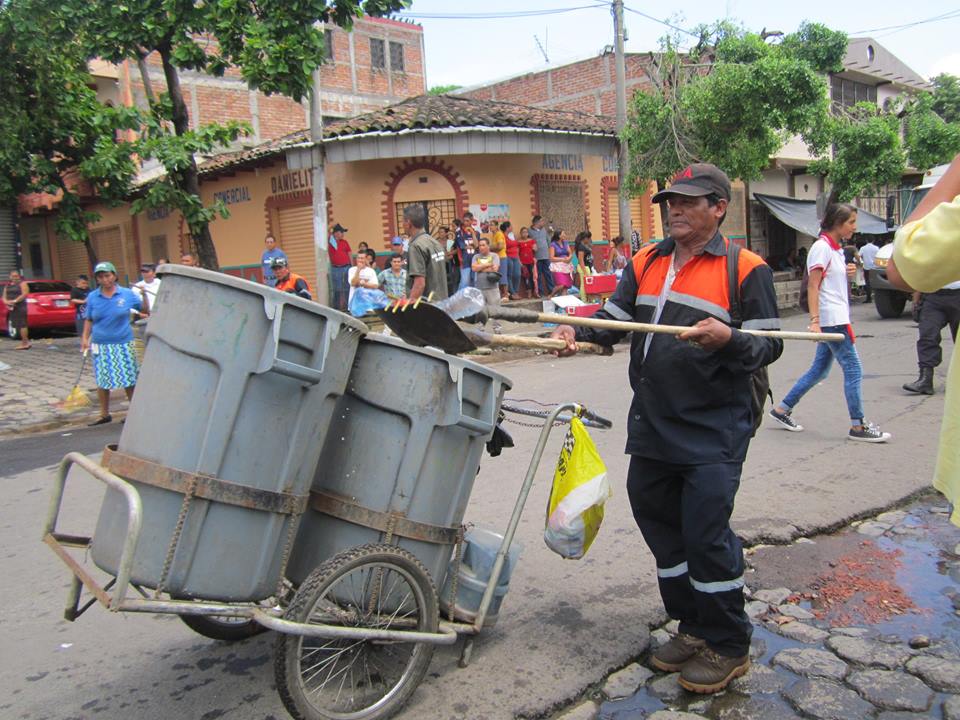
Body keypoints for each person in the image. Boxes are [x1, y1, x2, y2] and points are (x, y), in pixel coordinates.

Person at [551, 163, 782, 694]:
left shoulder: (745, 269)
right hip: (654, 421)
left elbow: (769, 343)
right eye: (669, 201)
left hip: (714, 427)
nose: (674, 209)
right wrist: (575, 328)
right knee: (661, 525)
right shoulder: (646, 260)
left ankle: (728, 643)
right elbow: (612, 320)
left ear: (718, 207)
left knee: (704, 533)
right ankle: (692, 625)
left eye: (688, 201)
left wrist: (730, 338)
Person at [769, 203, 891, 443]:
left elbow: (827, 282)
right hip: (832, 320)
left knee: (819, 370)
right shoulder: (821, 248)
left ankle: (782, 409)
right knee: (854, 370)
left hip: (835, 317)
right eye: (851, 222)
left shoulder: (835, 250)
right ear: (838, 223)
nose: (854, 228)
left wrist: (845, 273)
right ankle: (858, 426)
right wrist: (815, 321)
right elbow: (813, 286)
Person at [888, 152, 960, 527]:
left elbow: (903, 264)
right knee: (928, 340)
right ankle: (926, 376)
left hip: (952, 290)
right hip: (935, 292)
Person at [82, 262, 144, 426]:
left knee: (129, 378)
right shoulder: (93, 297)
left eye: (108, 275)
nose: (105, 279)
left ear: (115, 276)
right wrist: (84, 338)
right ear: (97, 279)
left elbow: (143, 309)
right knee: (102, 380)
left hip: (123, 341)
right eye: (101, 277)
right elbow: (89, 319)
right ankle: (104, 413)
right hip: (101, 343)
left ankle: (133, 412)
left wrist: (144, 296)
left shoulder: (127, 294)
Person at [403, 204, 449, 302]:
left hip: (427, 307)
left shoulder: (416, 246)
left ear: (408, 222)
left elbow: (419, 284)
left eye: (403, 221)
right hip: (441, 303)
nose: (403, 225)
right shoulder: (435, 242)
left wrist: (409, 305)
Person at [471, 237, 502, 333]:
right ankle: (480, 331)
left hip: (492, 288)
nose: (481, 247)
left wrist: (480, 268)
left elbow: (495, 269)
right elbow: (474, 269)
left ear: (488, 246)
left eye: (483, 245)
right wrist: (487, 265)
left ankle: (497, 330)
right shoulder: (476, 257)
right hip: (480, 288)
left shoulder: (494, 256)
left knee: (495, 310)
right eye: (480, 245)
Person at [4, 270, 31, 349]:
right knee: (17, 325)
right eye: (13, 276)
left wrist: (15, 301)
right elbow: (4, 296)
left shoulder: (22, 284)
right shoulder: (8, 285)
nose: (15, 277)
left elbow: (24, 294)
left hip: (20, 306)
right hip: (12, 307)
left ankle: (25, 343)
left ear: (19, 276)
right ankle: (23, 342)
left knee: (22, 324)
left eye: (16, 276)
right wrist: (6, 302)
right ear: (10, 277)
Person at [328, 223, 352, 311]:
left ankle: (347, 307)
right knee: (337, 289)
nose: (342, 234)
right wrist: (331, 226)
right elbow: (327, 232)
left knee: (347, 288)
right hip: (336, 268)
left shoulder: (345, 242)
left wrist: (351, 265)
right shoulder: (332, 241)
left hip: (346, 267)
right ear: (336, 233)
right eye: (341, 232)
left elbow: (349, 253)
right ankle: (336, 308)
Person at [530, 215, 554, 297]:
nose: (543, 222)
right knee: (538, 276)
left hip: (546, 256)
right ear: (537, 222)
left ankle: (552, 291)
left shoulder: (544, 230)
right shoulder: (529, 231)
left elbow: (549, 241)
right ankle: (540, 292)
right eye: (542, 221)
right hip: (537, 258)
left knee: (548, 274)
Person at [548, 229, 574, 296]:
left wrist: (569, 258)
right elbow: (551, 258)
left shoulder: (565, 242)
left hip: (566, 266)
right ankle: (551, 294)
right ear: (559, 236)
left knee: (565, 287)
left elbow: (570, 253)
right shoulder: (553, 245)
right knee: (561, 285)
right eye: (563, 234)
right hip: (557, 266)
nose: (565, 235)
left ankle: (564, 303)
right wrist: (562, 259)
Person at [454, 217, 477, 290]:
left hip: (475, 261)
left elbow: (476, 245)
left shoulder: (476, 232)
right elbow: (462, 246)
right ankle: (458, 299)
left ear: (471, 221)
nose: (465, 222)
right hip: (464, 261)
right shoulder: (459, 233)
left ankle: (471, 299)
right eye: (464, 221)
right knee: (464, 282)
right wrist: (471, 246)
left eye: (467, 221)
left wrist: (473, 233)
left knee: (474, 281)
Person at [490, 220, 509, 300]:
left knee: (503, 277)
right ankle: (502, 295)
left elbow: (500, 246)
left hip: (502, 258)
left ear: (497, 226)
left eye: (492, 225)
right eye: (490, 225)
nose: (490, 226)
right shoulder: (494, 235)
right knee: (498, 277)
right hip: (496, 258)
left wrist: (490, 248)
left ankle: (505, 295)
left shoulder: (499, 234)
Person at [502, 221, 521, 300]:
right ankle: (512, 293)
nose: (512, 227)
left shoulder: (512, 235)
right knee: (509, 275)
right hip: (508, 257)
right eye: (511, 226)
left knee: (517, 274)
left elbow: (517, 245)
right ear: (507, 228)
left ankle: (515, 291)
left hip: (516, 257)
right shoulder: (502, 235)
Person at [518, 226, 537, 297]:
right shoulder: (518, 242)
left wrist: (534, 248)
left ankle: (535, 291)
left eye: (526, 232)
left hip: (531, 262)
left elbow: (535, 249)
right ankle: (529, 292)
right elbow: (517, 253)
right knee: (526, 278)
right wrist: (520, 263)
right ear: (520, 233)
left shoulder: (532, 241)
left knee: (533, 277)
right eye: (523, 232)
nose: (525, 234)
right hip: (523, 263)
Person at [859, 237, 880, 302]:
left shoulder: (863, 248)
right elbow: (879, 256)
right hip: (875, 267)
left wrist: (861, 262)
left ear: (866, 240)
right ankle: (878, 297)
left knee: (867, 282)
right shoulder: (876, 248)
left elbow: (858, 256)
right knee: (876, 282)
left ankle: (869, 298)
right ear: (873, 240)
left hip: (866, 267)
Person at [70, 274, 90, 338]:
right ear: (77, 282)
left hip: (88, 313)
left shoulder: (88, 289)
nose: (85, 285)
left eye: (86, 283)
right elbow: (73, 300)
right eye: (83, 283)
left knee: (90, 331)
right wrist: (83, 301)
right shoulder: (75, 290)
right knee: (82, 331)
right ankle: (83, 344)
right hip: (80, 314)